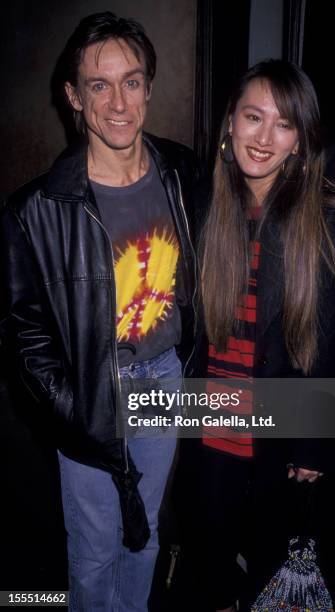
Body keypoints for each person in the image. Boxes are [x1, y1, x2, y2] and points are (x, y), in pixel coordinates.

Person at [0, 12, 197, 612]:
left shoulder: (181, 171)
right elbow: (23, 330)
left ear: (149, 88)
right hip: (91, 390)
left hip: (163, 377)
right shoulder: (36, 209)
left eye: (131, 82)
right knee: (93, 551)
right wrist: (72, 406)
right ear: (74, 97)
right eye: (99, 85)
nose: (118, 102)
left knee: (145, 536)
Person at [193, 60, 335, 611]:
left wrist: (316, 445)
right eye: (253, 117)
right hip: (210, 431)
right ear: (231, 124)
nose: (264, 137)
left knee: (272, 580)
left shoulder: (332, 221)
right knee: (212, 575)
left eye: (284, 124)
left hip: (280, 438)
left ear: (300, 140)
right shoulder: (208, 208)